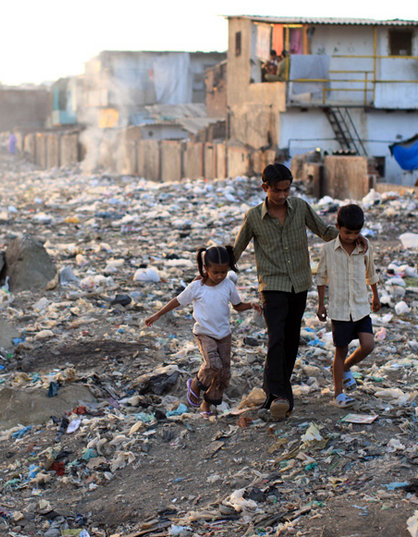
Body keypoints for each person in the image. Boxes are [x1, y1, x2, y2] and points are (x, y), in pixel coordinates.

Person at [233, 163, 364, 421]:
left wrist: (352, 238)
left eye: (286, 190)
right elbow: (236, 251)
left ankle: (273, 393)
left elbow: (324, 231)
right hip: (271, 285)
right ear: (265, 188)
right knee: (277, 339)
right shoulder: (252, 218)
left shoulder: (301, 208)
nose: (282, 195)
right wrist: (211, 272)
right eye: (277, 191)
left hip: (299, 284)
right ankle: (282, 396)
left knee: (292, 339)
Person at [144, 246, 262, 416]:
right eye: (216, 272)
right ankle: (196, 384)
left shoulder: (228, 284)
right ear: (206, 269)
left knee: (224, 373)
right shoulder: (196, 286)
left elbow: (237, 305)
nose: (220, 276)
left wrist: (251, 304)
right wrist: (157, 314)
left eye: (224, 272)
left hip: (224, 335)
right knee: (213, 364)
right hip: (204, 332)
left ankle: (207, 404)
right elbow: (177, 301)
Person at [314, 204, 381, 407]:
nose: (351, 237)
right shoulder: (328, 250)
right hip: (340, 309)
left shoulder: (364, 247)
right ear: (338, 227)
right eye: (347, 232)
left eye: (356, 233)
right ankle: (338, 394)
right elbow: (321, 278)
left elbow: (371, 272)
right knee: (340, 350)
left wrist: (376, 296)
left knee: (368, 344)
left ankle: (346, 368)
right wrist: (320, 305)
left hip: (361, 307)